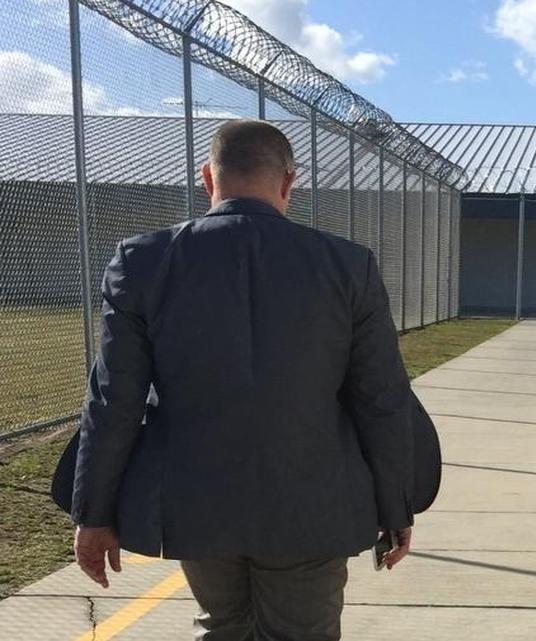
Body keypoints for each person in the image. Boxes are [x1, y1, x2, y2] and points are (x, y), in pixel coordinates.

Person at [71, 120, 416, 641]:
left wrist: (93, 513)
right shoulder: (348, 266)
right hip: (311, 505)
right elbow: (381, 398)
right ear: (288, 183)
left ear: (208, 178)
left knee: (223, 626)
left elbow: (113, 398)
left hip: (197, 501)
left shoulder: (143, 261)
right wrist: (396, 505)